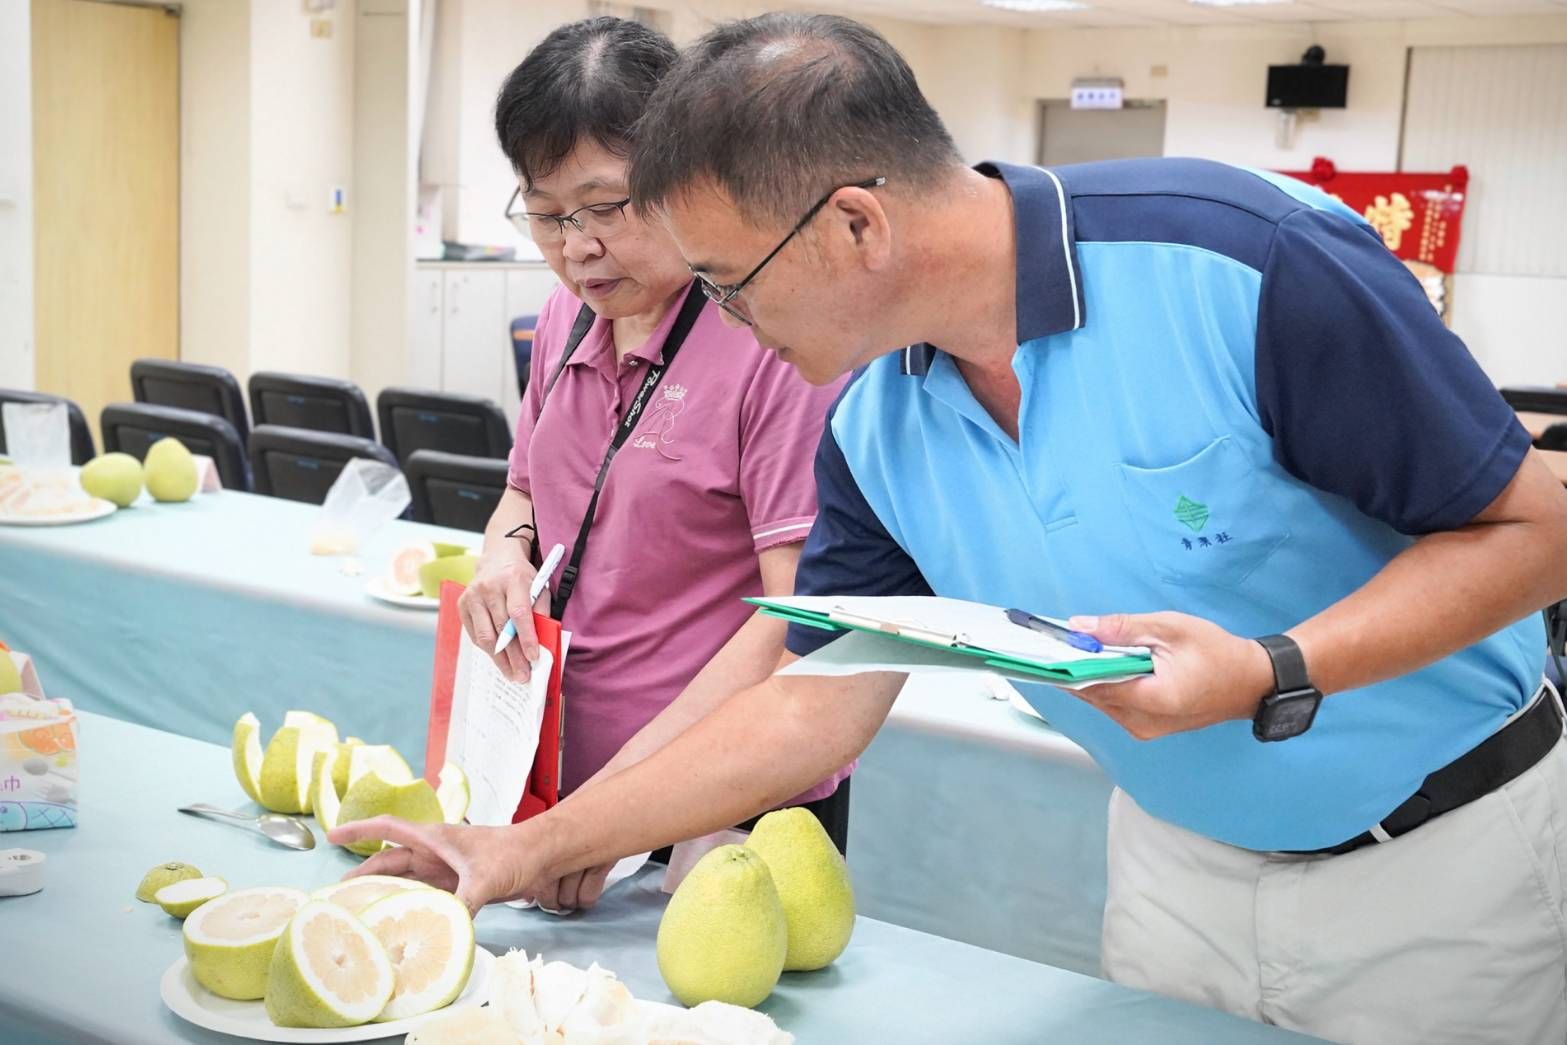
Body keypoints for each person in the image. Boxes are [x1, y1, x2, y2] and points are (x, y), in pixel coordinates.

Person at [335, 14, 1567, 1043]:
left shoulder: (1244, 263)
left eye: (725, 283)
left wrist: (1270, 671)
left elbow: (1538, 529)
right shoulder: (875, 408)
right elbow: (810, 692)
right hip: (1173, 864)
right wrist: (516, 850)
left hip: (1441, 864)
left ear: (856, 226)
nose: (717, 319)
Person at [458, 15, 851, 905]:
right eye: (549, 214)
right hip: (569, 770)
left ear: (688, 177)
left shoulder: (771, 338)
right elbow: (526, 486)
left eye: (605, 206)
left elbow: (798, 616)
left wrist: (616, 807)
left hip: (724, 796)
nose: (576, 246)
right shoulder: (567, 315)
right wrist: (501, 553)